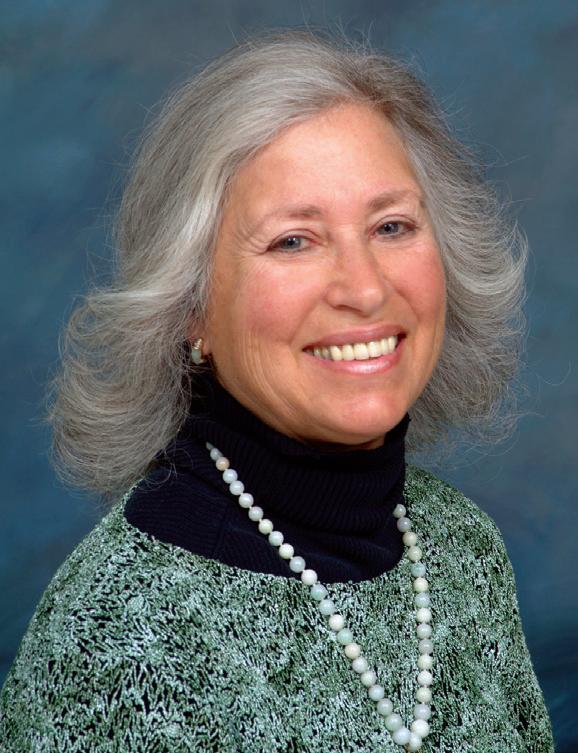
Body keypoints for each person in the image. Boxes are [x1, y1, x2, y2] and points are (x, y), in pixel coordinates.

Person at [0, 29, 554, 753]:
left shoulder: (461, 548)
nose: (364, 288)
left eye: (391, 226)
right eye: (294, 240)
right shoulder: (117, 640)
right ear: (193, 308)